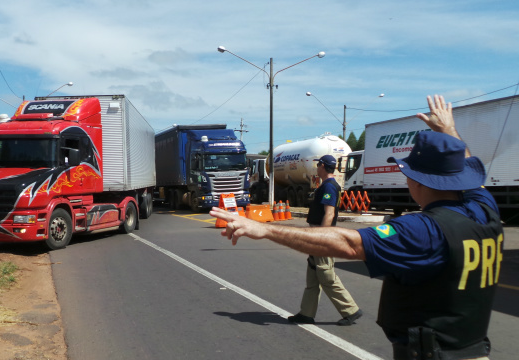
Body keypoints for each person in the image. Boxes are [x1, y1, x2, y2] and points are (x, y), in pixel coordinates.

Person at [210, 95, 503, 360]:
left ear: (415, 181)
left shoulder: (423, 230)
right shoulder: (484, 211)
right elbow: (469, 173)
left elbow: (349, 243)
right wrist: (448, 131)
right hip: (474, 349)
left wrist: (265, 229)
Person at [287, 154, 363, 326]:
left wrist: (321, 237)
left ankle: (351, 310)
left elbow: (329, 214)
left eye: (318, 165)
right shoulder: (325, 185)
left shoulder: (329, 187)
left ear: (322, 166)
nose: (317, 167)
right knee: (313, 276)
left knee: (326, 274)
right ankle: (306, 313)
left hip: (323, 234)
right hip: (317, 232)